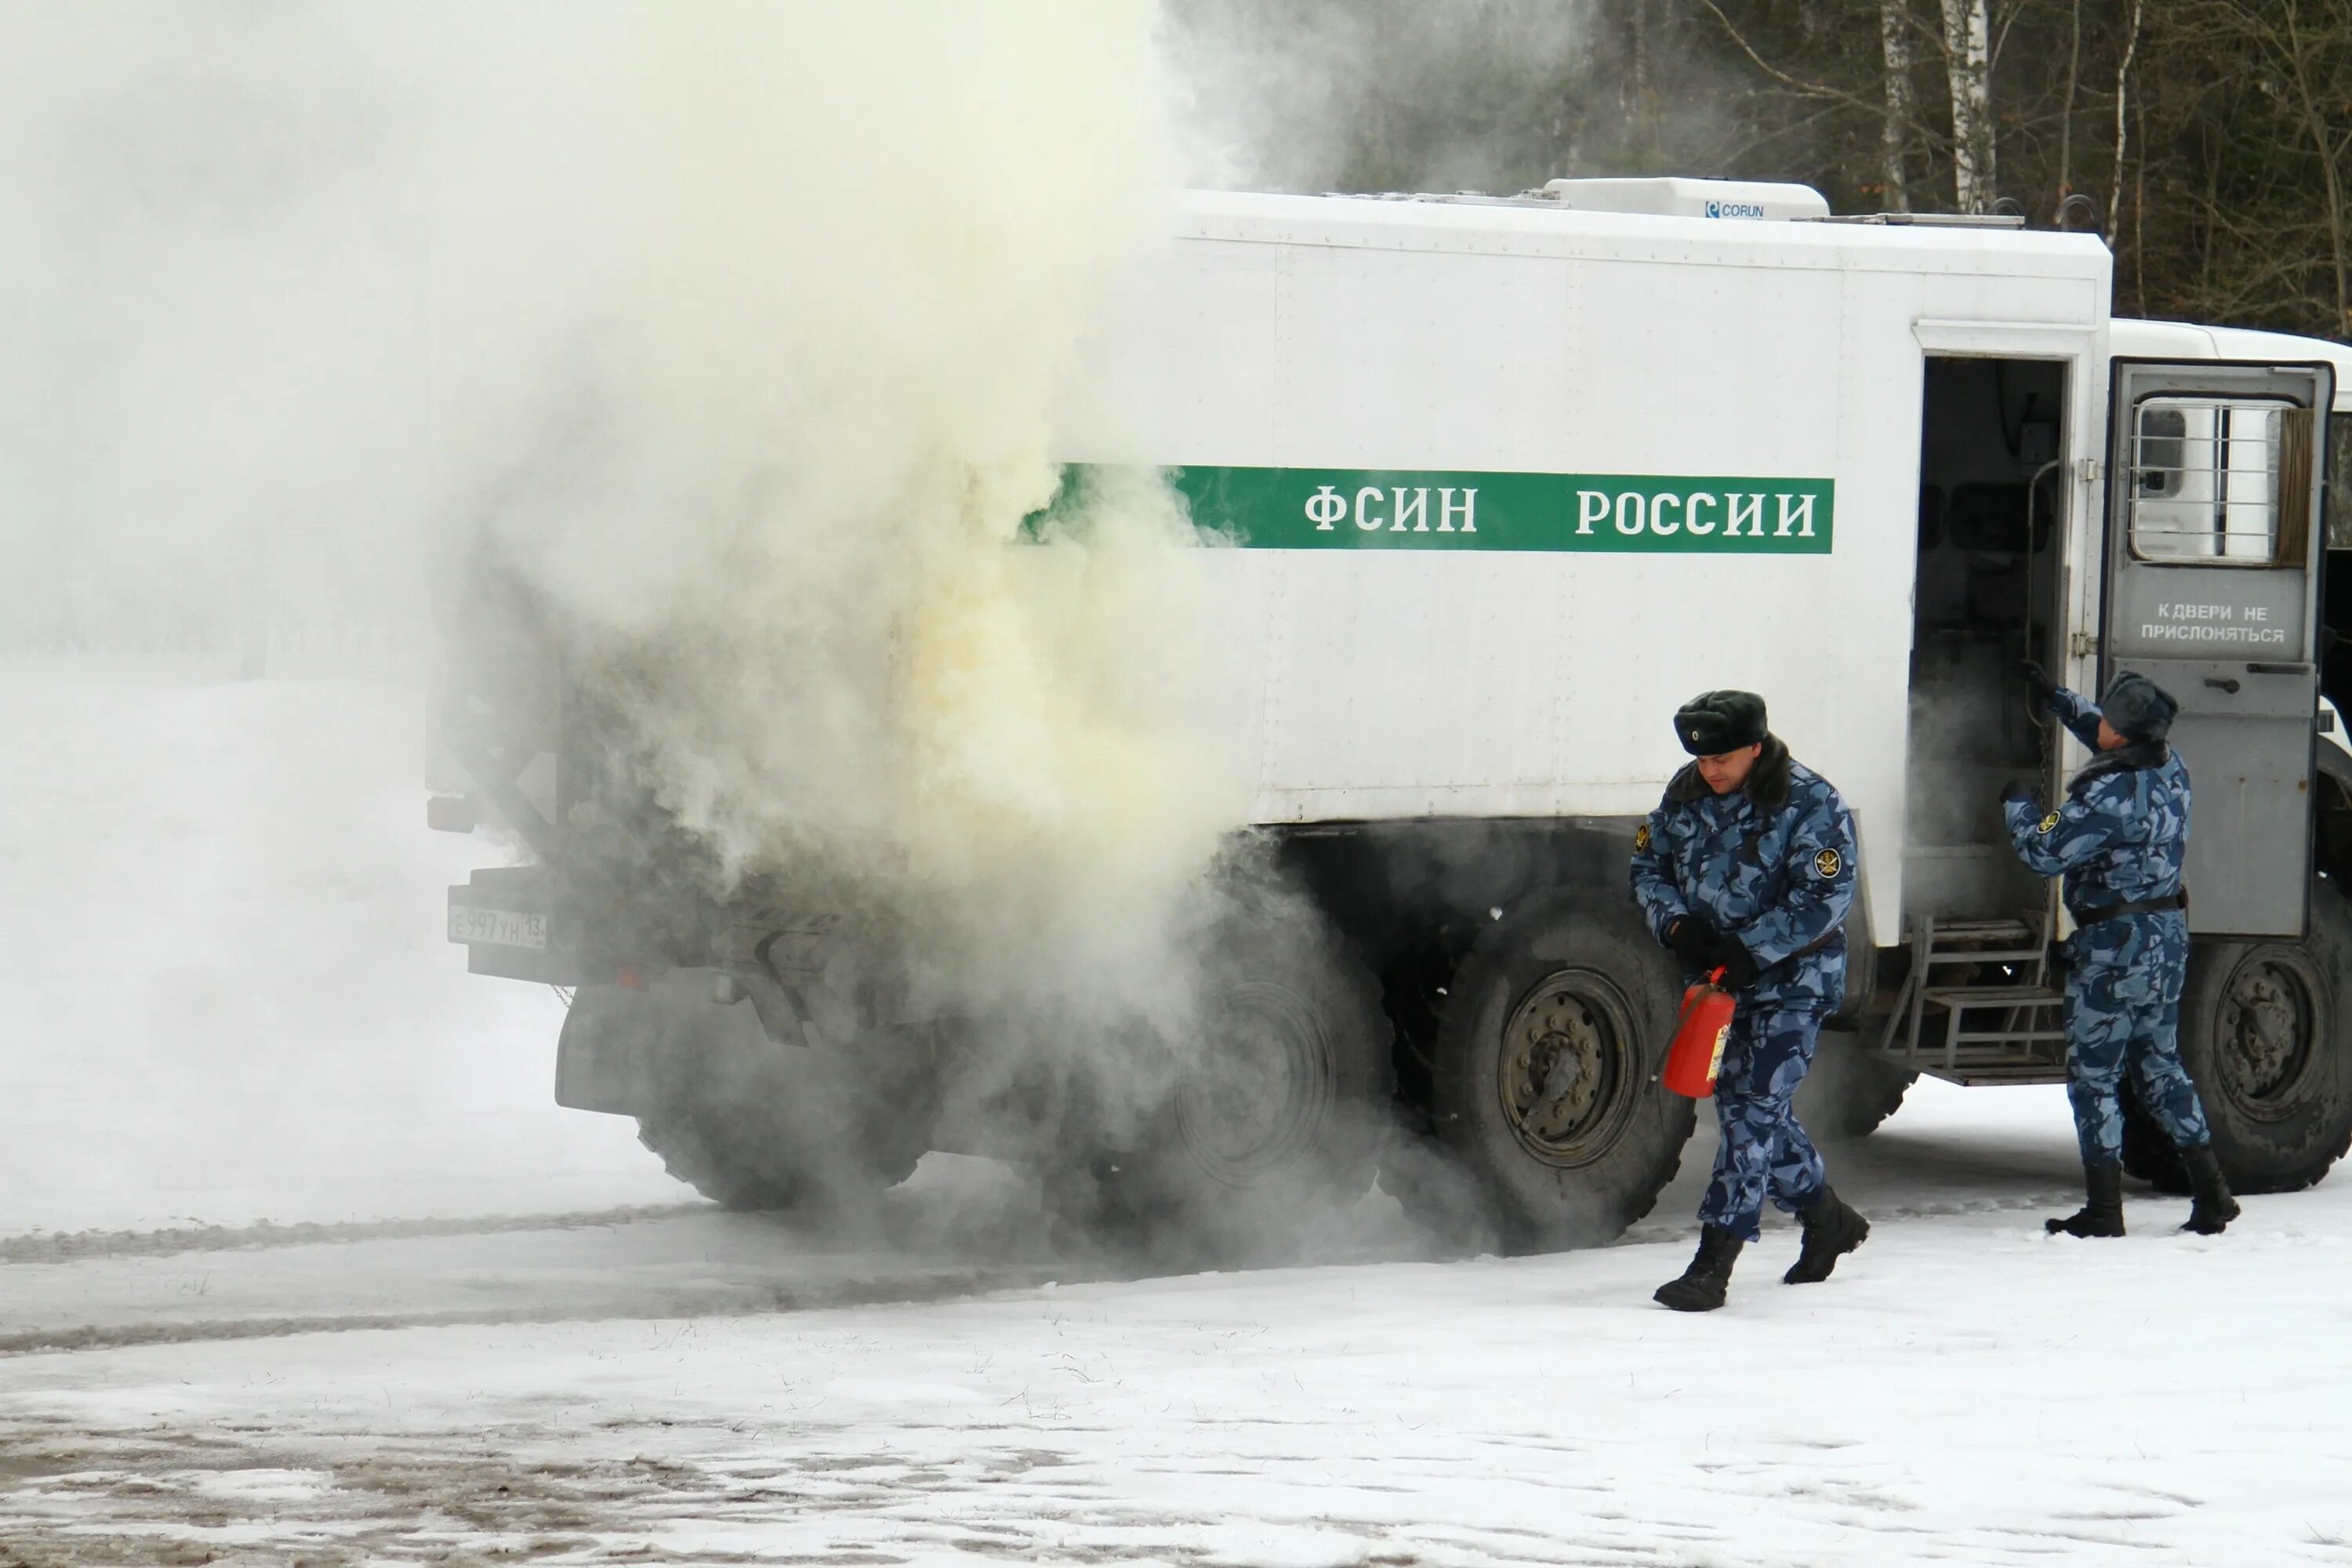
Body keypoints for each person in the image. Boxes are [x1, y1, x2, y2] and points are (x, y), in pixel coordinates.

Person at [1631, 690, 1868, 1312]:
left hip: (1794, 980)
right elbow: (1648, 867)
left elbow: (1825, 898)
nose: (1711, 771)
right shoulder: (1686, 792)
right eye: (1702, 759)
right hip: (1718, 983)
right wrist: (1677, 925)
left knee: (1752, 1110)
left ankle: (1714, 1263)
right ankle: (1827, 1217)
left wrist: (1750, 948)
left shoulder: (1812, 802)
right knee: (1747, 1108)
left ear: (1757, 747)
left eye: (1724, 759)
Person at [2003, 663, 2238, 1237]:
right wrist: (2058, 699)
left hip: (2113, 950)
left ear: (2125, 731)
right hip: (2164, 941)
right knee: (2161, 1068)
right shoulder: (2170, 766)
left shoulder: (2108, 795)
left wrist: (2017, 806)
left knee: (2094, 1077)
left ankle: (2105, 1210)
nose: (2100, 722)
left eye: (2108, 716)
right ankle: (2213, 1193)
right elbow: (2108, 737)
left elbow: (2044, 852)